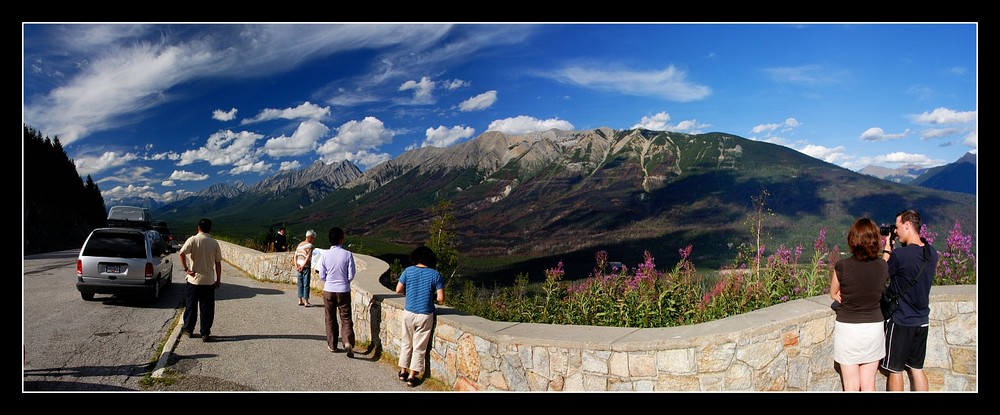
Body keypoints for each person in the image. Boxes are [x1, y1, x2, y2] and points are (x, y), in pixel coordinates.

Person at [880, 209, 938, 391]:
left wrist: (887, 249)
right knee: (916, 368)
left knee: (895, 371)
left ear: (907, 225)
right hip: (922, 320)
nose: (895, 231)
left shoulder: (901, 256)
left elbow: (880, 274)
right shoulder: (931, 253)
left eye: (897, 227)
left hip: (901, 321)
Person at [829, 218, 888, 391]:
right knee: (869, 384)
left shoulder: (842, 266)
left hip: (848, 330)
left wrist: (840, 295)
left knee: (851, 386)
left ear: (853, 240)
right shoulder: (883, 266)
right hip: (874, 329)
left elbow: (833, 293)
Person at [395, 246, 445, 387]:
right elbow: (441, 298)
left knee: (406, 342)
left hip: (409, 312)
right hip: (425, 314)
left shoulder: (408, 271)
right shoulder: (435, 275)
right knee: (419, 346)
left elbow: (398, 290)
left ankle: (403, 371)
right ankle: (412, 376)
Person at [178, 218, 224, 342]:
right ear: (210, 228)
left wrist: (187, 269)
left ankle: (189, 329)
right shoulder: (214, 243)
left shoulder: (193, 240)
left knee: (191, 306)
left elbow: (181, 253)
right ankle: (205, 333)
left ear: (198, 228)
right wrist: (218, 279)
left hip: (194, 280)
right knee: (207, 308)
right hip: (208, 281)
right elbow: (218, 263)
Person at [317, 227, 356, 357]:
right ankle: (348, 342)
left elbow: (321, 275)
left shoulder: (325, 255)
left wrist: (328, 280)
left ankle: (332, 344)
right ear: (341, 239)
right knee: (345, 318)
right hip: (343, 290)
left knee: (330, 318)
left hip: (329, 289)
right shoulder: (348, 254)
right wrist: (345, 281)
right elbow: (351, 274)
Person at [293, 229, 316, 307]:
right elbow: (308, 257)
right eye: (313, 238)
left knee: (300, 283)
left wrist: (296, 266)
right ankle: (306, 301)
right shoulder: (310, 246)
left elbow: (295, 256)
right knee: (306, 283)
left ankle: (300, 300)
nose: (313, 239)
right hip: (305, 266)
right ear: (309, 237)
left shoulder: (300, 245)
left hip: (298, 266)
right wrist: (303, 266)